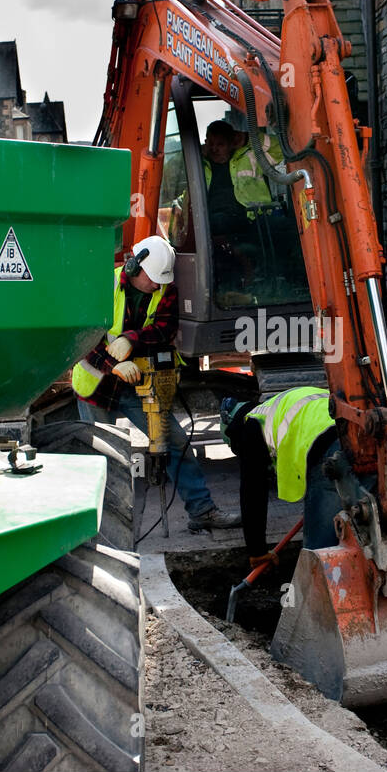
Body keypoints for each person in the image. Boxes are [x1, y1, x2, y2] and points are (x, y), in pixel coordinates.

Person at [71, 235, 239, 531]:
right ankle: (95, 526)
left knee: (173, 441)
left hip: (140, 382)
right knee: (101, 457)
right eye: (153, 279)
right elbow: (80, 338)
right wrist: (113, 365)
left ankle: (201, 510)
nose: (158, 285)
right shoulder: (101, 286)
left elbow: (165, 328)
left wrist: (131, 339)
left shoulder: (165, 289)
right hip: (97, 385)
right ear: (134, 267)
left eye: (163, 280)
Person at [219, 387, 345, 569]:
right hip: (358, 435)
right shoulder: (279, 405)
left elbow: (253, 493)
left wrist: (258, 552)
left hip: (328, 451)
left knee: (320, 555)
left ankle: (318, 595)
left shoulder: (253, 424)